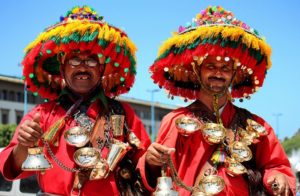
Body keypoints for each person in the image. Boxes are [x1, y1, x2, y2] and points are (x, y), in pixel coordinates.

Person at [137, 5, 296, 196]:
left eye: (225, 68)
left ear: (235, 75)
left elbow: (276, 164)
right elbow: (161, 175)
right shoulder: (173, 121)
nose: (218, 72)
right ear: (197, 71)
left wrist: (277, 178)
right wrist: (150, 162)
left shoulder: (256, 126)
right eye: (211, 66)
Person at [0, 5, 151, 196]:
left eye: (91, 61)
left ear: (102, 69)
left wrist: (153, 160)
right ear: (62, 68)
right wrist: (24, 144)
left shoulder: (124, 113)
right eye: (74, 60)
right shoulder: (42, 114)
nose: (82, 67)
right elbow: (12, 168)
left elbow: (144, 164)